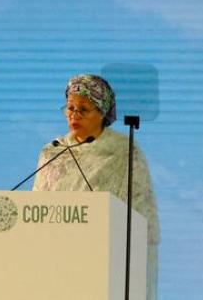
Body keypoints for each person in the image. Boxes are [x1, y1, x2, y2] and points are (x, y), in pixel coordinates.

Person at [32, 74, 160, 299]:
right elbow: (33, 213)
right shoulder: (52, 152)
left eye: (83, 109)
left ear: (102, 113)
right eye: (70, 107)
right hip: (56, 264)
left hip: (106, 263)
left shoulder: (124, 152)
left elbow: (141, 216)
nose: (74, 115)